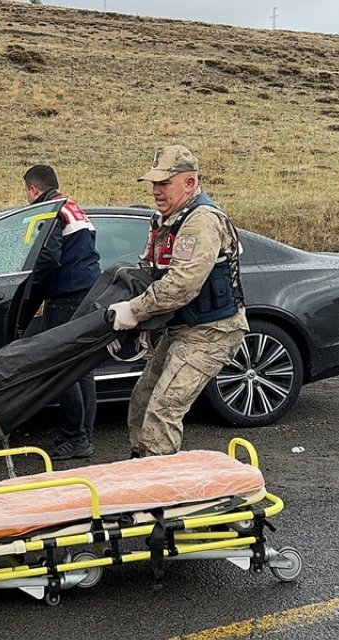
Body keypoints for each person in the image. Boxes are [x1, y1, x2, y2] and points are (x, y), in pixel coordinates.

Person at [107, 145, 248, 458]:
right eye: (154, 184)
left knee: (163, 409)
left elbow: (182, 285)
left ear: (189, 183)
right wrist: (141, 322)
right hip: (179, 329)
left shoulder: (201, 222)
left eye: (164, 183)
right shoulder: (164, 221)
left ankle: (159, 490)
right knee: (143, 398)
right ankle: (141, 464)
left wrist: (135, 310)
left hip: (211, 333)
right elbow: (148, 271)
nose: (156, 191)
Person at [21, 165, 102, 461]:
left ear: (33, 190)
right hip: (88, 292)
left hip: (66, 296)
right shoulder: (74, 207)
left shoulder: (51, 210)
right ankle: (84, 438)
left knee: (58, 367)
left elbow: (48, 256)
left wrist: (31, 291)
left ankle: (74, 437)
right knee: (81, 369)